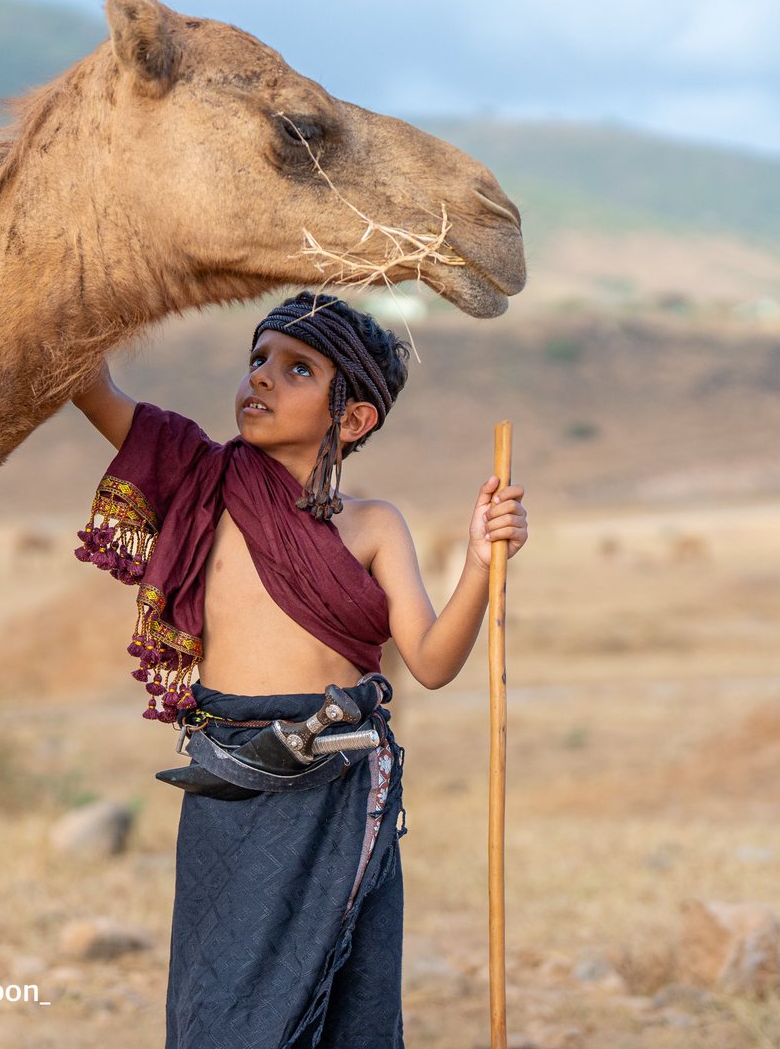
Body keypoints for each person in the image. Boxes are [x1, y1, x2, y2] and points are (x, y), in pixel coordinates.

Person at [72, 290, 528, 1049]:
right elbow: (93, 388)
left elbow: (435, 661)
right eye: (257, 359)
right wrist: (81, 281)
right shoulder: (197, 476)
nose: (261, 378)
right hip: (226, 780)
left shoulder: (375, 524)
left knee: (335, 996)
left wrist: (482, 563)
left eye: (297, 369)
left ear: (351, 419)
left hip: (337, 788)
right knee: (218, 1003)